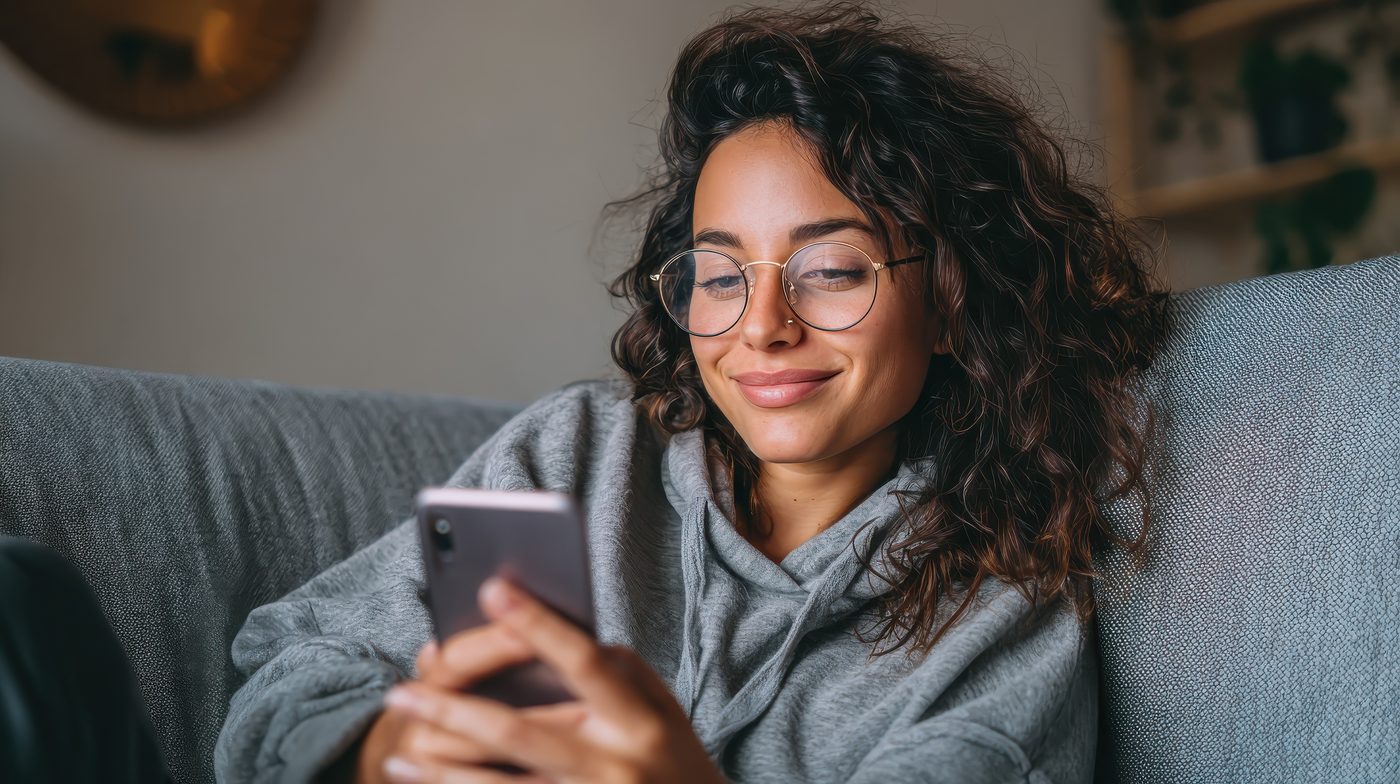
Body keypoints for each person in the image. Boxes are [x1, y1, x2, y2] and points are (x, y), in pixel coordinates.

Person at [215, 3, 1173, 782]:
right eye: (719, 276)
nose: (761, 326)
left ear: (957, 299)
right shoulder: (580, 458)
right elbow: (291, 660)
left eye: (832, 269)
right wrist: (384, 752)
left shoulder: (1000, 619)